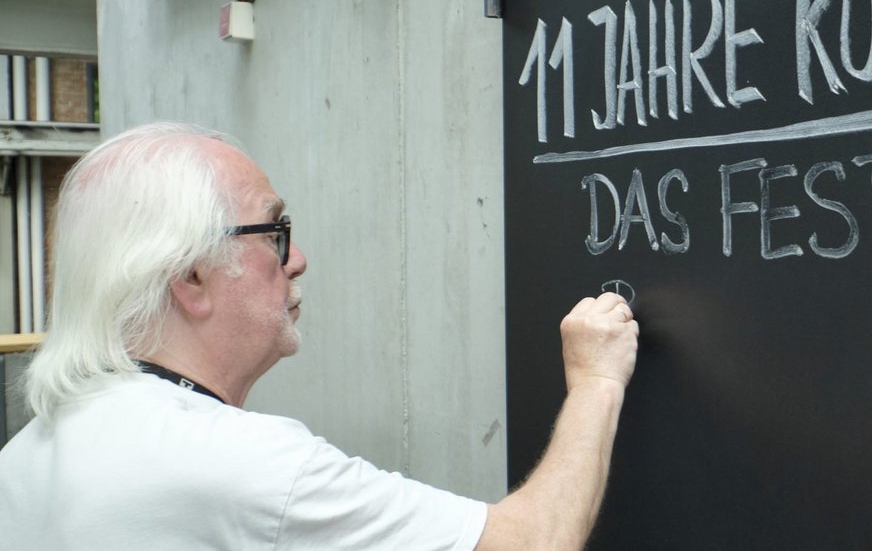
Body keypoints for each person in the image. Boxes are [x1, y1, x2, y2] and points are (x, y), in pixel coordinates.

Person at [0, 122, 639, 550]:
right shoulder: (243, 465)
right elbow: (532, 542)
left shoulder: (26, 456)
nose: (297, 257)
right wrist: (597, 381)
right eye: (273, 232)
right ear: (191, 276)